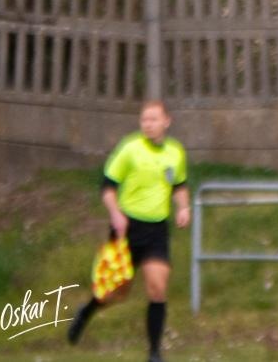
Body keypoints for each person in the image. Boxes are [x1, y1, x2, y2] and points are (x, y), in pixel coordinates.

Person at [67, 99, 191, 360]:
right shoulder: (130, 149)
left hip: (157, 230)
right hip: (127, 229)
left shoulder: (175, 152)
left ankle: (155, 353)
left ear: (167, 121)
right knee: (114, 293)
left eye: (154, 119)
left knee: (157, 287)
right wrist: (116, 214)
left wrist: (183, 207)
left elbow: (179, 185)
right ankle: (87, 310)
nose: (148, 124)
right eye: (144, 119)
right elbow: (107, 186)